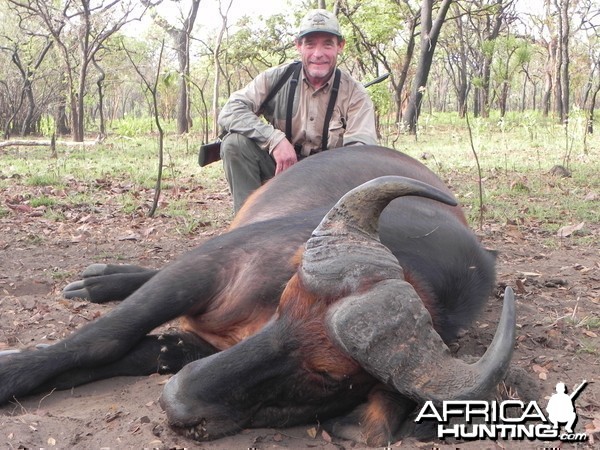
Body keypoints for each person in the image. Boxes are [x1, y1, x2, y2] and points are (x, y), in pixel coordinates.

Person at [218, 9, 378, 212]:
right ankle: (247, 224)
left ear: (340, 46)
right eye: (310, 44)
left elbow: (361, 153)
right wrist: (274, 139)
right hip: (282, 171)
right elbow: (230, 110)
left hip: (330, 182)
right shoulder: (276, 78)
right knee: (234, 144)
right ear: (298, 46)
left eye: (327, 44)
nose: (318, 54)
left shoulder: (355, 94)